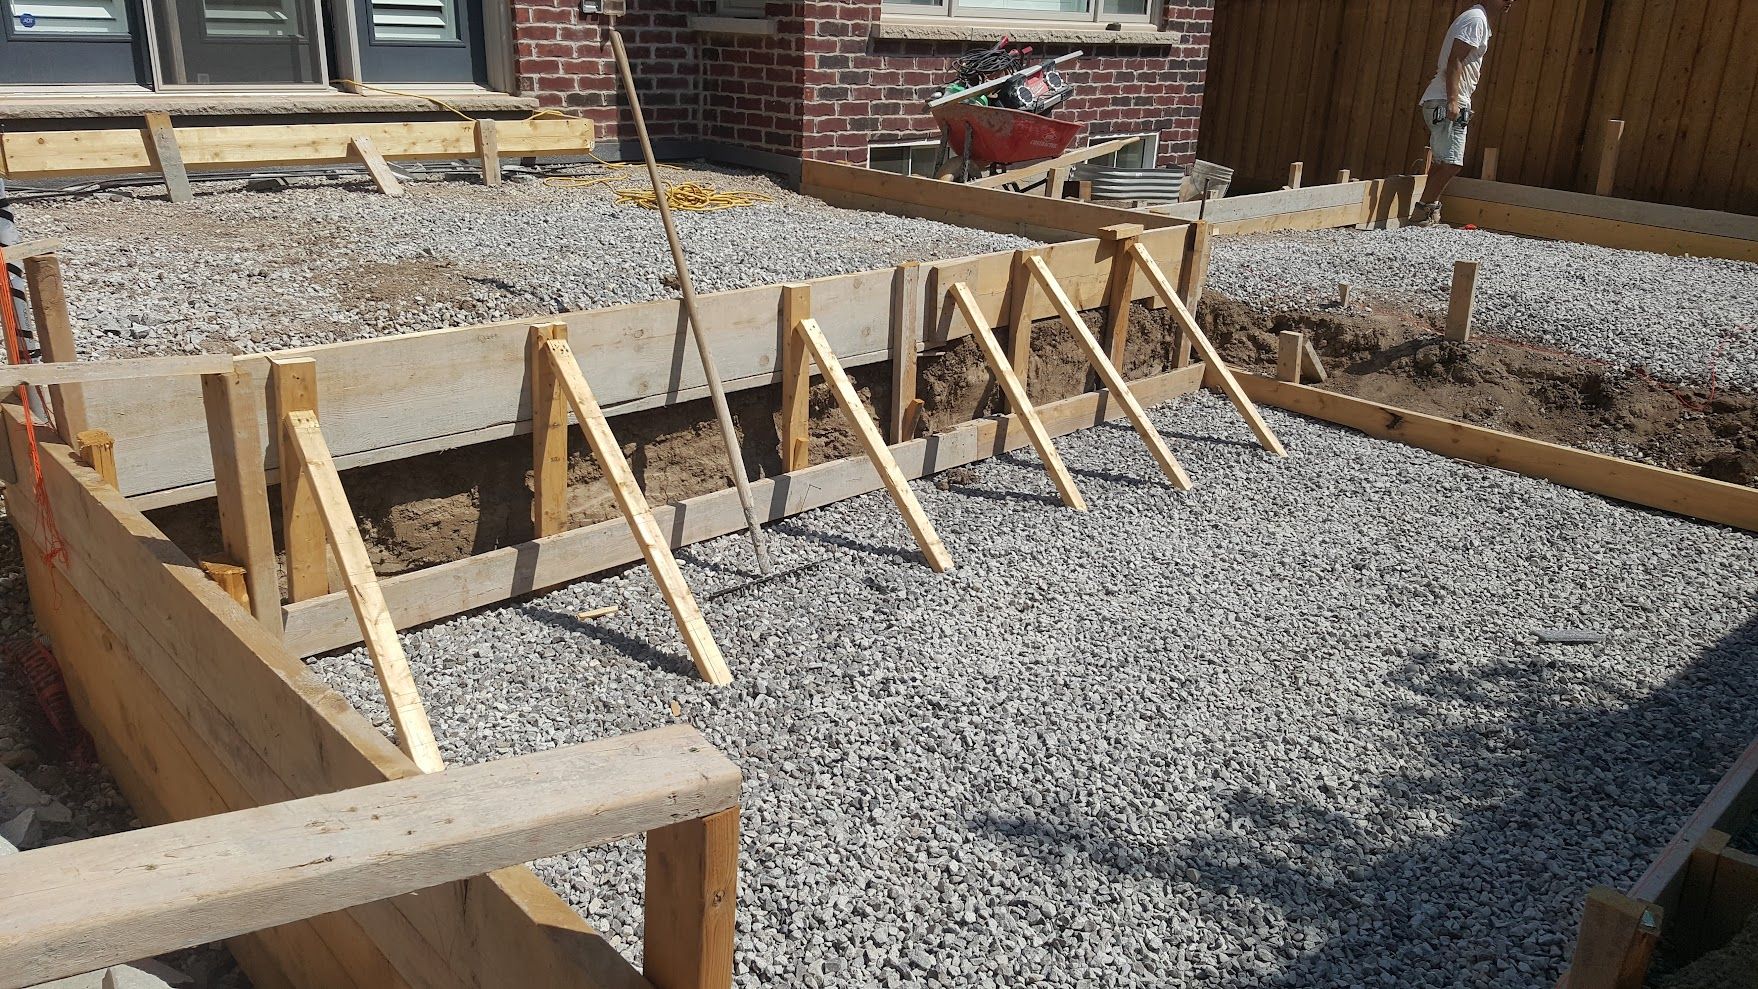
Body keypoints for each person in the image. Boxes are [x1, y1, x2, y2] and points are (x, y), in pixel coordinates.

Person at [1410, 0, 1514, 227]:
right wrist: (1454, 101)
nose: (1510, 1)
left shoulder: (1478, 19)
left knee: (1441, 161)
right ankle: (1423, 212)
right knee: (1452, 163)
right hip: (1444, 99)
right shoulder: (1476, 19)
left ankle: (1427, 214)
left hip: (1442, 98)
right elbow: (1455, 59)